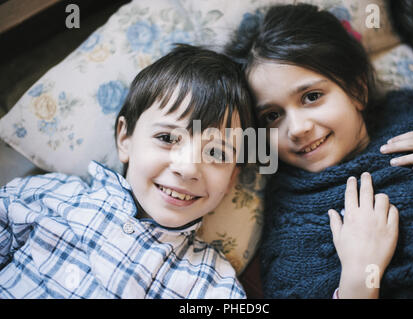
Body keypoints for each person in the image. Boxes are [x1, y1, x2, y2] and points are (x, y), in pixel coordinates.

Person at [225, 4, 413, 298]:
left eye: (311, 97)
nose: (297, 129)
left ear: (357, 89)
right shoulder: (291, 228)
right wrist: (358, 276)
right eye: (271, 116)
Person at [0, 45, 254, 299]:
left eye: (216, 154)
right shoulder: (49, 195)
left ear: (232, 178)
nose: (187, 169)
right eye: (167, 137)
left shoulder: (212, 284)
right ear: (125, 139)